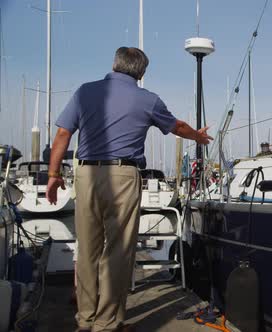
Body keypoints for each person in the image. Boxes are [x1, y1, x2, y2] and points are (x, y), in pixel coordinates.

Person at [46, 46, 212, 332]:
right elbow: (177, 127)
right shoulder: (147, 100)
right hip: (123, 175)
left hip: (85, 174)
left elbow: (63, 133)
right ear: (142, 72)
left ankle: (85, 321)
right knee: (118, 253)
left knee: (87, 250)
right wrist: (197, 136)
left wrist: (52, 174)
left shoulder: (85, 91)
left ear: (114, 64)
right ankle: (107, 324)